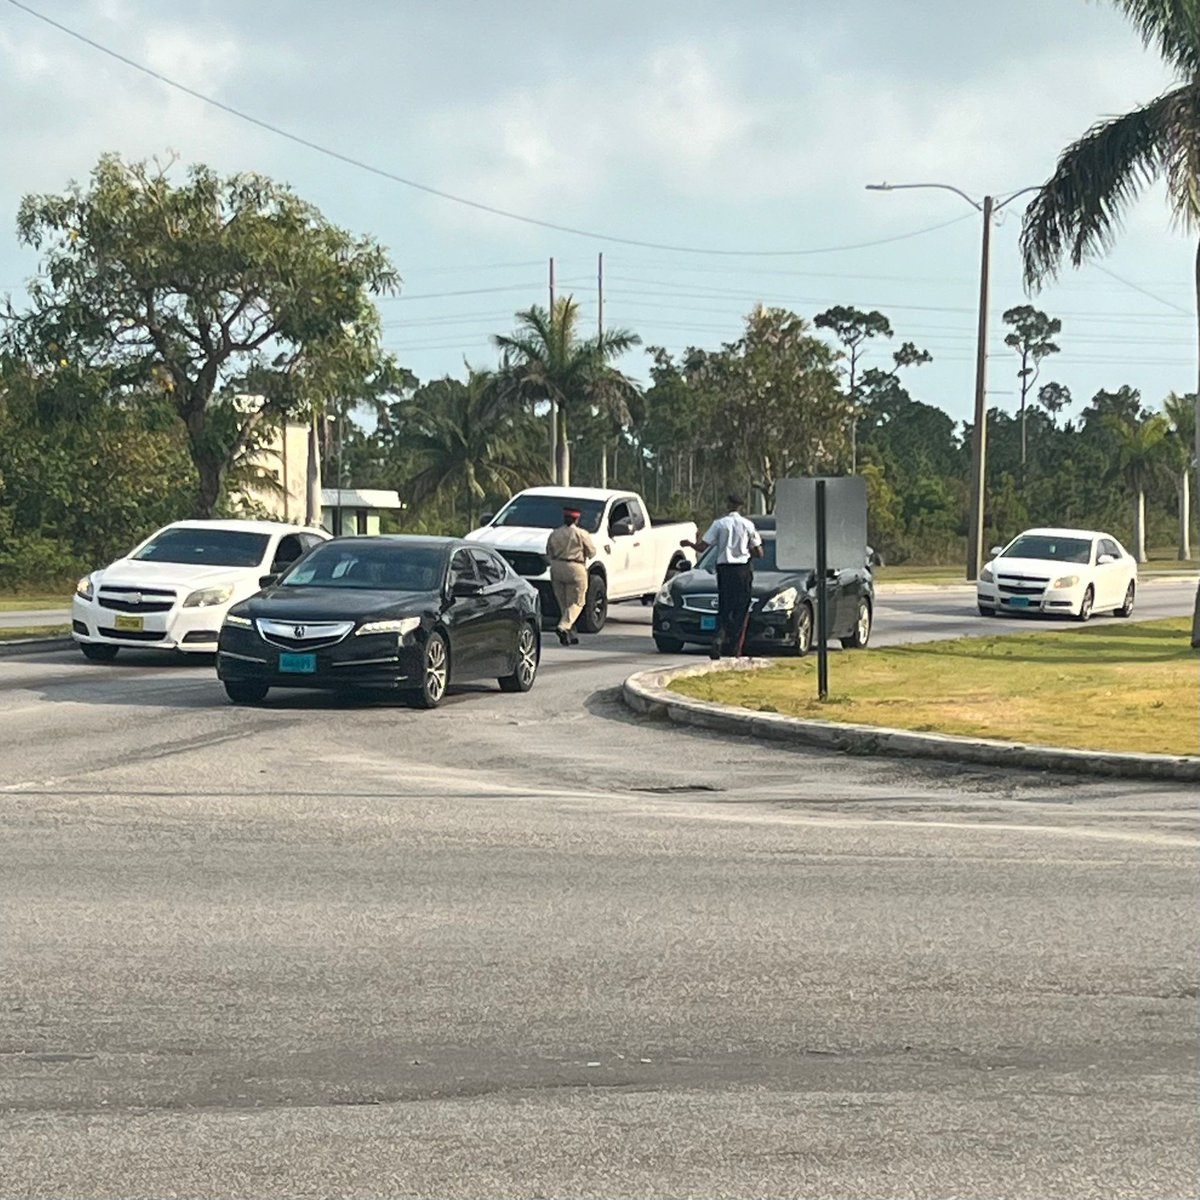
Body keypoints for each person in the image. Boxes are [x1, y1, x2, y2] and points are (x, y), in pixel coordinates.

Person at [683, 494, 763, 659]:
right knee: (741, 608)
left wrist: (689, 544)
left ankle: (718, 639)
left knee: (725, 607)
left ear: (728, 505)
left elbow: (702, 547)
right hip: (742, 570)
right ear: (741, 506)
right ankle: (734, 648)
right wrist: (745, 550)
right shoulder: (748, 525)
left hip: (724, 570)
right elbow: (759, 552)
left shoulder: (719, 524)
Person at [546, 505, 597, 646]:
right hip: (575, 567)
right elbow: (592, 552)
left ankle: (571, 635)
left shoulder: (554, 533)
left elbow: (548, 551)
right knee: (577, 603)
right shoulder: (581, 534)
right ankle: (563, 627)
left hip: (556, 567)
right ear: (577, 519)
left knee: (564, 604)